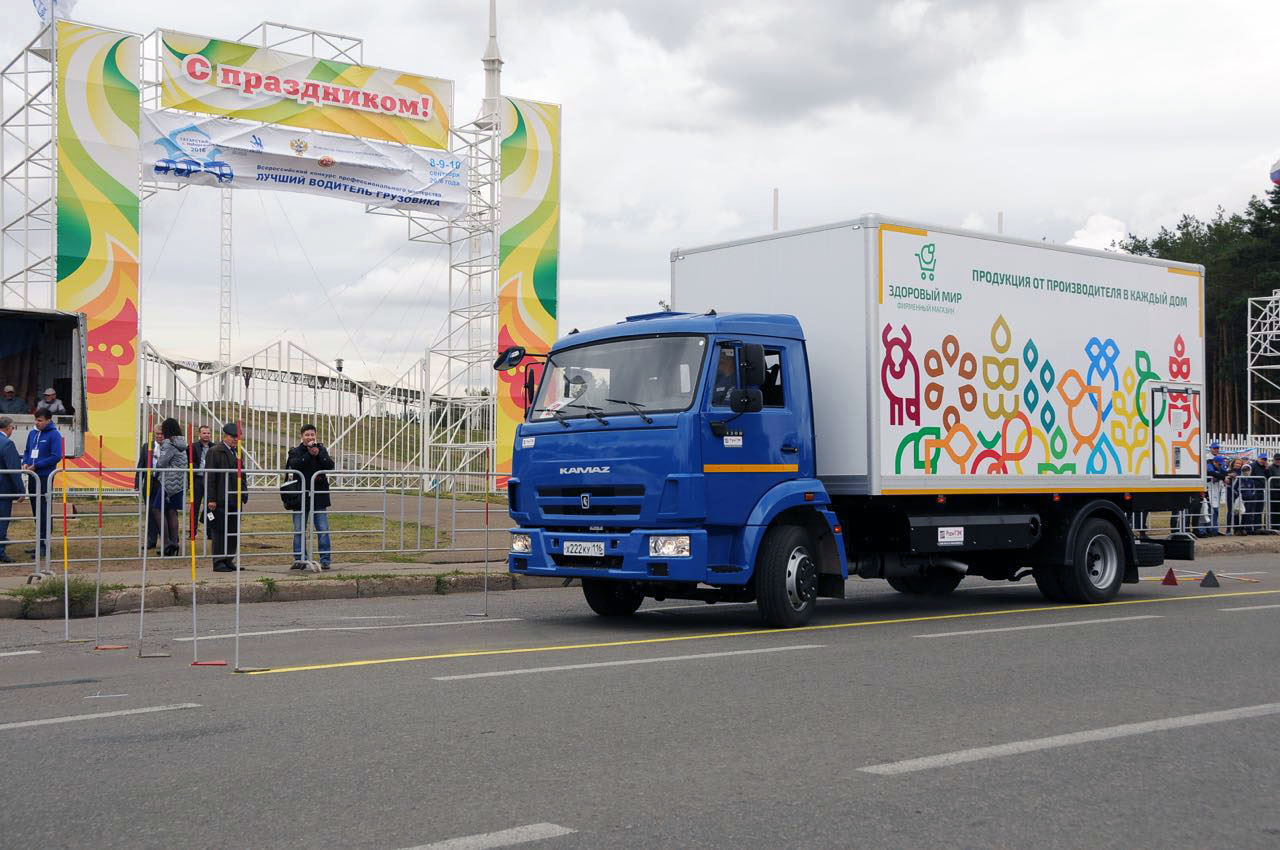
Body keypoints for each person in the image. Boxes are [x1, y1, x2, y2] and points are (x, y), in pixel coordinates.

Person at [282, 424, 334, 570]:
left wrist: (319, 454)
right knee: (299, 529)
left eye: (312, 435)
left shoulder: (321, 449)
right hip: (301, 497)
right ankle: (300, 559)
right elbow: (295, 465)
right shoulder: (295, 451)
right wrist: (308, 454)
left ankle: (325, 559)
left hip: (318, 497)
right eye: (307, 435)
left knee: (323, 529)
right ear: (302, 436)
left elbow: (330, 465)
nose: (310, 437)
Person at [204, 422, 247, 572]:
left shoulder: (237, 452)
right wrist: (211, 498)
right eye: (233, 437)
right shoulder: (215, 451)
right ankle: (219, 561)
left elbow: (243, 474)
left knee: (233, 530)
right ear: (226, 436)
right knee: (220, 531)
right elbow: (210, 476)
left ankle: (229, 559)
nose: (235, 439)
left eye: (238, 437)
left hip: (235, 498)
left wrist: (244, 492)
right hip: (221, 498)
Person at [21, 410, 62, 558]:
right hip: (32, 476)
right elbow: (27, 451)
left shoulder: (54, 435)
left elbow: (56, 456)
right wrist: (25, 462)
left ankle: (45, 544)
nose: (36, 423)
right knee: (35, 509)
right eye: (36, 420)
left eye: (40, 420)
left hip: (45, 477)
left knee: (44, 510)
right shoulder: (32, 434)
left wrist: (37, 466)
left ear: (48, 420)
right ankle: (39, 542)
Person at [154, 418, 189, 557]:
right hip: (180, 482)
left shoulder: (168, 443)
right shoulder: (182, 442)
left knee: (157, 509)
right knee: (172, 511)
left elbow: (162, 462)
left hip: (169, 481)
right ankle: (174, 543)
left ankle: (167, 543)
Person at [134, 424, 163, 553]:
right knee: (151, 513)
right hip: (150, 484)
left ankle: (167, 540)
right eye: (157, 434)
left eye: (162, 434)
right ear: (154, 434)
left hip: (164, 483)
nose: (159, 436)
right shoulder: (146, 446)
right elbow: (141, 465)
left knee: (165, 512)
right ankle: (151, 541)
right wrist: (137, 484)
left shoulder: (169, 446)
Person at [0, 417, 21, 563]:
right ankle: (0, 551)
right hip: (3, 489)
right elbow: (13, 468)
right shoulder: (7, 444)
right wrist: (20, 490)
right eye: (12, 428)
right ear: (8, 428)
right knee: (2, 520)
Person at [191, 425, 214, 532]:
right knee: (194, 506)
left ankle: (210, 530)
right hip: (198, 480)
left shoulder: (214, 447)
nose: (206, 435)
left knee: (211, 507)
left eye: (208, 433)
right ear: (199, 434)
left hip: (210, 481)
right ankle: (192, 530)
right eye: (204, 433)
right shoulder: (193, 446)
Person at [1204, 441, 1227, 537]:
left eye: (1217, 448)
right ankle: (1208, 530)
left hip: (1216, 488)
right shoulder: (1207, 458)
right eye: (1214, 448)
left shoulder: (1220, 459)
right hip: (1208, 487)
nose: (1216, 449)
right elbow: (1211, 472)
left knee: (1215, 510)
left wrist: (1222, 476)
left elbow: (1224, 472)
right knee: (1207, 510)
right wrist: (1222, 477)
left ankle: (1214, 529)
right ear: (1211, 448)